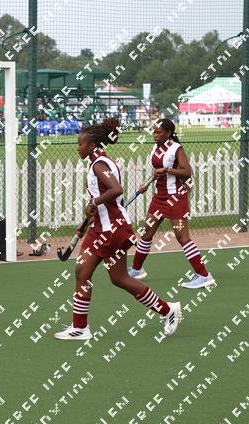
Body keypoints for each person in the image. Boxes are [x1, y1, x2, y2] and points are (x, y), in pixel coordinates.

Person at [55, 118, 181, 340]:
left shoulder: (99, 164)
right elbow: (106, 200)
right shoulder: (99, 161)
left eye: (80, 144)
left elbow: (116, 189)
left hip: (111, 229)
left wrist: (94, 203)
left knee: (95, 274)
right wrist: (87, 220)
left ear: (92, 145)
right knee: (107, 276)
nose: (78, 148)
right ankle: (167, 310)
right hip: (103, 227)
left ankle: (81, 328)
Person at [127, 118, 215, 289]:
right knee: (146, 233)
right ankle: (137, 270)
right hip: (159, 197)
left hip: (175, 198)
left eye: (158, 132)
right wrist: (147, 183)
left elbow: (187, 172)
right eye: (154, 132)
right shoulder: (156, 147)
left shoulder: (176, 148)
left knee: (182, 238)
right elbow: (157, 171)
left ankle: (204, 275)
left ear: (168, 133)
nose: (155, 135)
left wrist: (167, 170)